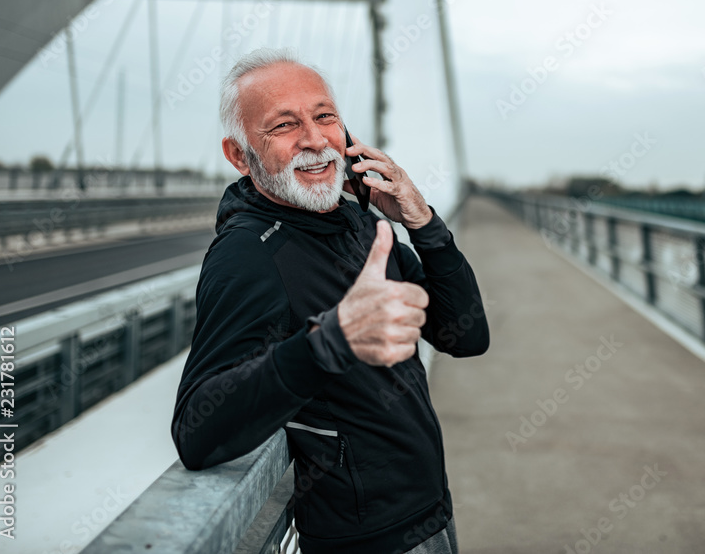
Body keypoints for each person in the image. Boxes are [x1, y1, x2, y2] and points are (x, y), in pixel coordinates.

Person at [170, 47, 489, 553]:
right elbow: (196, 430)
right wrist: (331, 342)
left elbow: (466, 336)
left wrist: (423, 223)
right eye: (284, 126)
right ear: (239, 155)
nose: (315, 140)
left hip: (431, 515)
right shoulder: (247, 254)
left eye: (325, 117)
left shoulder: (363, 226)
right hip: (361, 542)